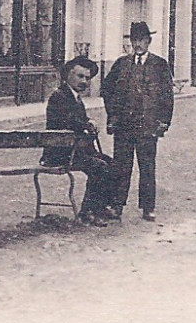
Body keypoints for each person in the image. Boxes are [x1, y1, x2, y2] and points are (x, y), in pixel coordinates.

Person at [101, 21, 175, 222]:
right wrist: (112, 116)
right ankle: (117, 206)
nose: (138, 44)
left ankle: (148, 207)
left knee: (147, 167)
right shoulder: (121, 64)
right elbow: (106, 90)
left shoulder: (159, 65)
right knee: (121, 167)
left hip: (147, 126)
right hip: (124, 126)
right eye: (134, 40)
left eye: (142, 40)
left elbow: (167, 96)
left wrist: (163, 122)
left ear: (149, 41)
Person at [40, 55, 111, 225]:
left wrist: (88, 126)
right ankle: (87, 212)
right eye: (80, 76)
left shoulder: (76, 98)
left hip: (73, 150)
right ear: (68, 75)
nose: (84, 81)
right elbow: (67, 121)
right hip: (59, 153)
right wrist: (87, 123)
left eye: (87, 78)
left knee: (112, 163)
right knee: (99, 167)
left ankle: (99, 207)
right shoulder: (59, 97)